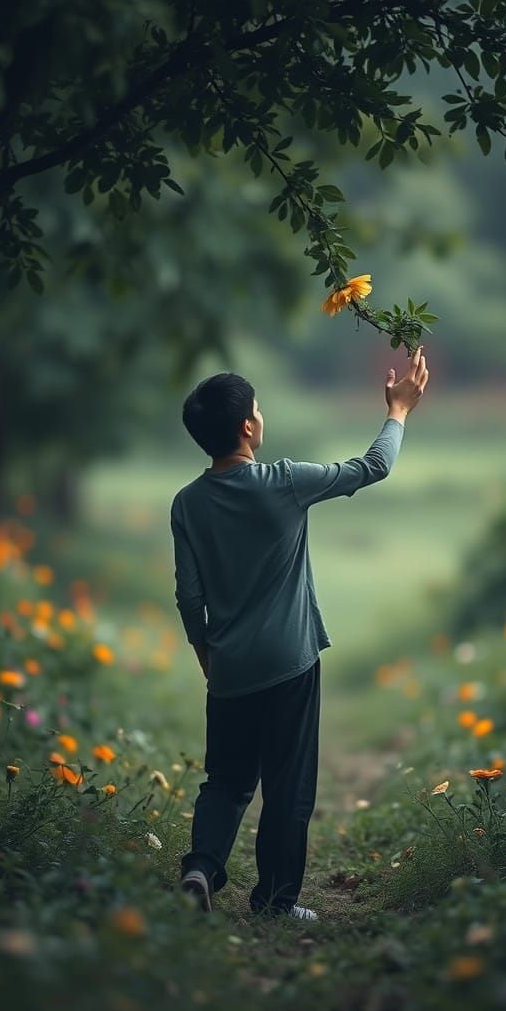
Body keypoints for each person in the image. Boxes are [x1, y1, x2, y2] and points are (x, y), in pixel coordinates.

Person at [172, 344, 429, 920]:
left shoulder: (186, 505)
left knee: (226, 780)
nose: (261, 416)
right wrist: (399, 410)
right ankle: (275, 901)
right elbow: (373, 467)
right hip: (290, 661)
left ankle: (200, 868)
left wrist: (205, 652)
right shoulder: (284, 482)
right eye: (257, 409)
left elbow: (189, 596)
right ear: (248, 427)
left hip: (229, 666)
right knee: (288, 785)